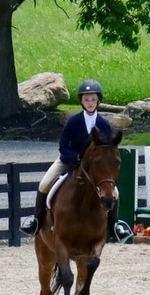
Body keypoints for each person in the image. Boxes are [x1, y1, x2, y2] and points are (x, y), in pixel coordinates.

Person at [21, 79, 133, 242]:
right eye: (86, 99)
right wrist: (77, 158)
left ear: (98, 101)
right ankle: (36, 221)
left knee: (115, 192)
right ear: (81, 101)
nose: (90, 103)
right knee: (44, 183)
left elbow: (108, 150)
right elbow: (63, 147)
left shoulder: (104, 125)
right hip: (69, 161)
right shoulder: (73, 122)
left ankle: (114, 226)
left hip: (95, 166)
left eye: (93, 99)